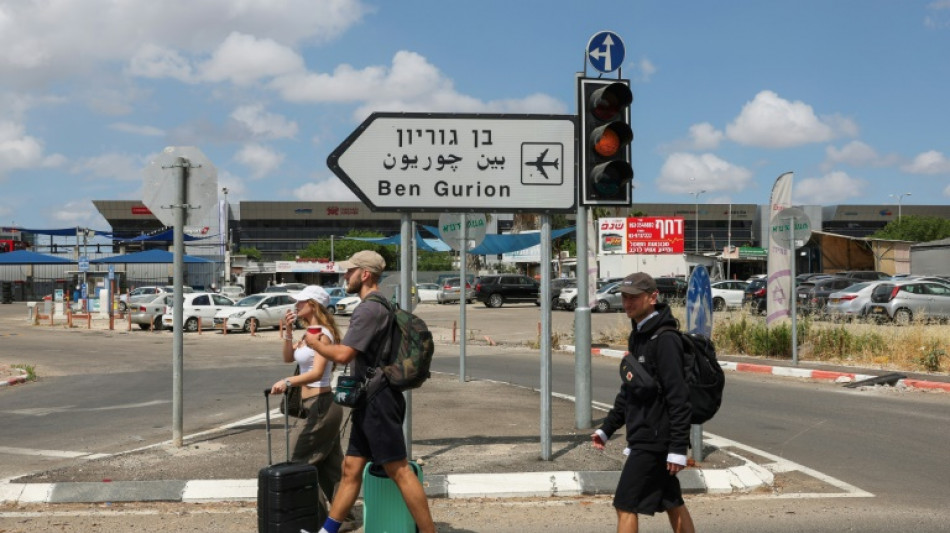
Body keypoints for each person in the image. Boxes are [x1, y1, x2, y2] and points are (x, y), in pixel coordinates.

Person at [303, 250, 435, 533]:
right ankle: (327, 532)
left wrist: (315, 345)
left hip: (379, 400)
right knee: (351, 469)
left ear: (364, 274)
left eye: (349, 271)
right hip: (371, 398)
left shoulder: (368, 309)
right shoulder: (379, 305)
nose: (345, 276)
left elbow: (343, 354)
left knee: (398, 469)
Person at [591, 272, 696, 533]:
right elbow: (630, 390)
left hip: (655, 440)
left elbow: (678, 396)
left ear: (652, 297)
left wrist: (678, 447)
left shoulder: (666, 339)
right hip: (644, 434)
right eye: (625, 297)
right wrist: (607, 428)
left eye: (634, 298)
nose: (627, 303)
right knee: (672, 502)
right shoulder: (638, 335)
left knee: (625, 504)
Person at [269, 285, 344, 516]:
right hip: (314, 406)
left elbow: (316, 373)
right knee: (330, 469)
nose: (297, 305)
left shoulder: (323, 334)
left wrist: (288, 382)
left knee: (298, 461)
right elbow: (287, 357)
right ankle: (345, 518)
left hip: (321, 404)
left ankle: (318, 517)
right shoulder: (309, 332)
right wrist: (288, 331)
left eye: (301, 302)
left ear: (314, 305)